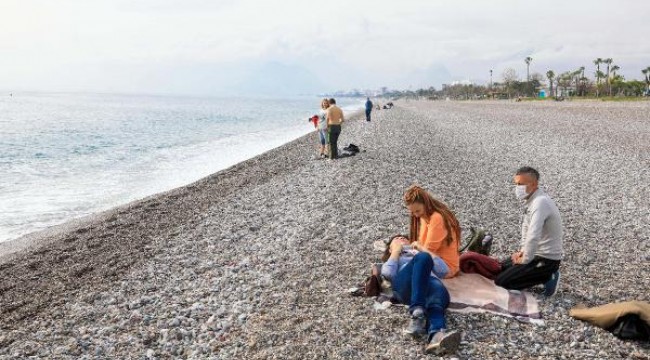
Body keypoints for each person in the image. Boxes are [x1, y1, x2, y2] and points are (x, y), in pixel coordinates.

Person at [460, 167, 563, 296]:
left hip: (546, 259)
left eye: (521, 184)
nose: (518, 188)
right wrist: (522, 251)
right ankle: (532, 273)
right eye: (516, 184)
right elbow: (526, 231)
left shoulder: (540, 203)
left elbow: (533, 235)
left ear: (534, 184)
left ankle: (548, 276)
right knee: (500, 268)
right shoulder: (531, 200)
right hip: (535, 253)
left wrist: (525, 259)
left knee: (501, 283)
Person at [404, 185, 461, 279]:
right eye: (413, 212)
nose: (416, 215)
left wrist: (417, 246)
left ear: (426, 204)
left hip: (446, 267)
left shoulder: (437, 218)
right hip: (435, 259)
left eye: (418, 211)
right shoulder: (425, 217)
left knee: (404, 260)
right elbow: (423, 246)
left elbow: (427, 251)